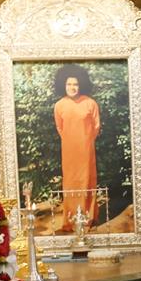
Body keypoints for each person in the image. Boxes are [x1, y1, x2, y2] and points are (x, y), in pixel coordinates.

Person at [53, 65, 100, 232]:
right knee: (70, 182)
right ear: (63, 86)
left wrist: (85, 141)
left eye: (75, 84)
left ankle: (87, 218)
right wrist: (71, 141)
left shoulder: (90, 103)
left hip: (86, 150)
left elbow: (96, 127)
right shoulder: (59, 105)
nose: (72, 88)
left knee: (87, 181)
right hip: (69, 151)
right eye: (68, 84)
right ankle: (70, 219)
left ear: (81, 85)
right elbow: (60, 128)